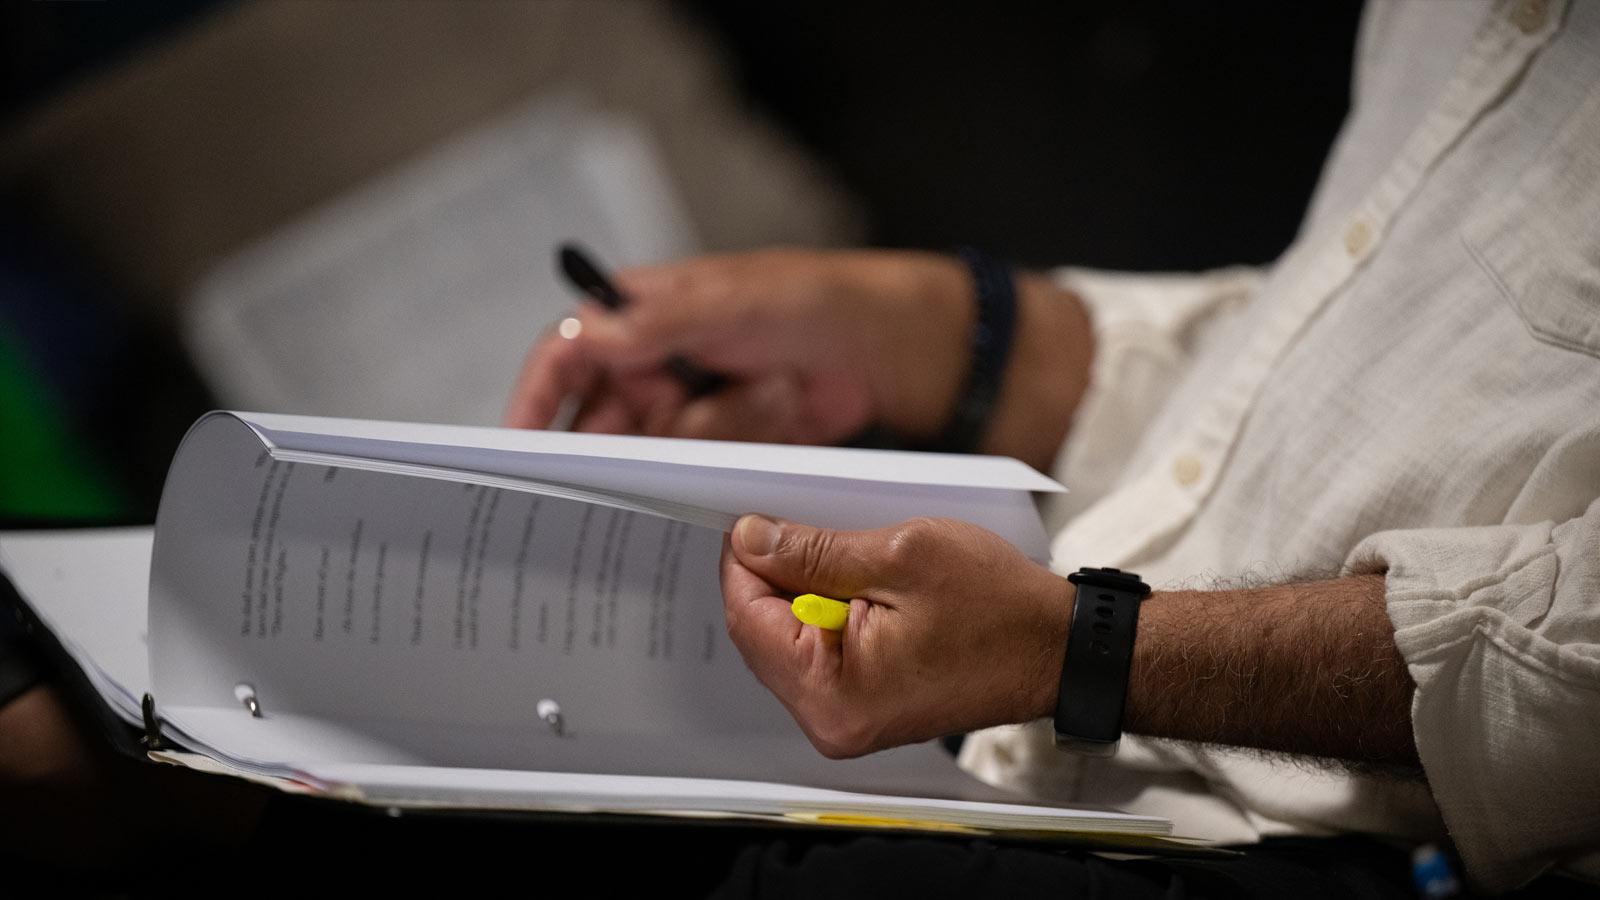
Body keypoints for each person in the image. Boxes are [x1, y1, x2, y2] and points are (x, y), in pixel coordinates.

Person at [505, 0, 1600, 894]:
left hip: (1317, 848)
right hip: (1042, 724)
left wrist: (1086, 651)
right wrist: (912, 327)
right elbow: (1340, 364)